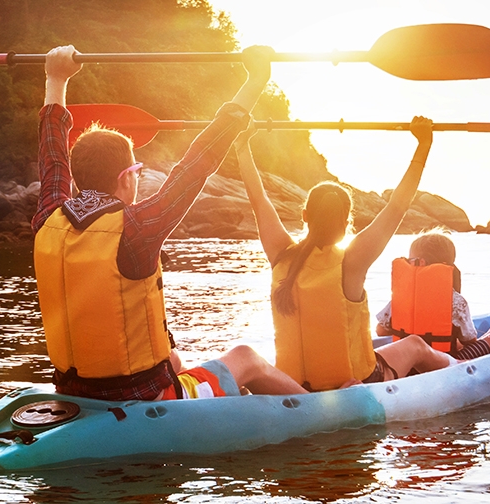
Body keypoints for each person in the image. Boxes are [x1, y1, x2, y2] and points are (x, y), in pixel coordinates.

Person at [32, 45, 307, 401]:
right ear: (126, 177)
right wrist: (257, 80)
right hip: (147, 396)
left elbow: (51, 153)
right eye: (136, 170)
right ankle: (322, 409)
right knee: (247, 358)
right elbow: (198, 162)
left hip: (75, 392)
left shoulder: (49, 217)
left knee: (174, 356)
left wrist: (55, 78)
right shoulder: (136, 229)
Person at [234, 119, 463, 392]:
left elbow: (259, 200)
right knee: (415, 345)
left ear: (305, 216)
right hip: (356, 384)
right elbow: (397, 206)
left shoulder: (280, 254)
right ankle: (463, 368)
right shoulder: (351, 262)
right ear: (346, 222)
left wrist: (241, 144)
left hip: (291, 386)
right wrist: (424, 144)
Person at [374, 231, 490, 361]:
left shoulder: (401, 297)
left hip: (404, 360)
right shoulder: (456, 301)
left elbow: (380, 330)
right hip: (443, 362)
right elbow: (469, 340)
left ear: (421, 262)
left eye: (410, 260)